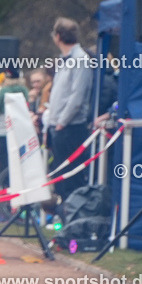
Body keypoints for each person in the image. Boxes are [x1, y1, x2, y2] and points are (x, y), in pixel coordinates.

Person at [43, 17, 95, 206]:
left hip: (70, 128)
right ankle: (63, 215)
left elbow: (77, 97)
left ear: (58, 36)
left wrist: (61, 122)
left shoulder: (80, 60)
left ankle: (73, 216)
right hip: (58, 127)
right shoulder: (63, 60)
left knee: (71, 179)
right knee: (59, 177)